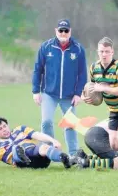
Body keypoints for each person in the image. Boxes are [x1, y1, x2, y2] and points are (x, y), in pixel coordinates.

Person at [84, 37, 118, 176]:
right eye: (101, 51)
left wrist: (102, 87)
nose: (104, 54)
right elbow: (93, 89)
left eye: (107, 51)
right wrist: (88, 98)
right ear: (98, 52)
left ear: (112, 52)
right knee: (115, 144)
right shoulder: (93, 68)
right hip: (114, 109)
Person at [32, 18, 87, 155]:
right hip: (49, 93)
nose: (63, 33)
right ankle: (49, 151)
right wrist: (35, 91)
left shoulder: (78, 49)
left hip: (69, 95)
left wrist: (78, 93)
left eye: (66, 30)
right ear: (56, 31)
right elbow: (38, 69)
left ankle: (74, 155)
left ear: (70, 31)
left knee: (70, 125)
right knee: (46, 122)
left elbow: (82, 74)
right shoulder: (46, 47)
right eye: (61, 30)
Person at [0, 116, 73, 169]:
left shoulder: (20, 129)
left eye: (5, 126)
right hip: (23, 164)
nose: (4, 129)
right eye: (0, 129)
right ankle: (20, 154)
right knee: (16, 149)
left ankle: (64, 158)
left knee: (43, 147)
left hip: (41, 160)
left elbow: (37, 134)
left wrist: (53, 141)